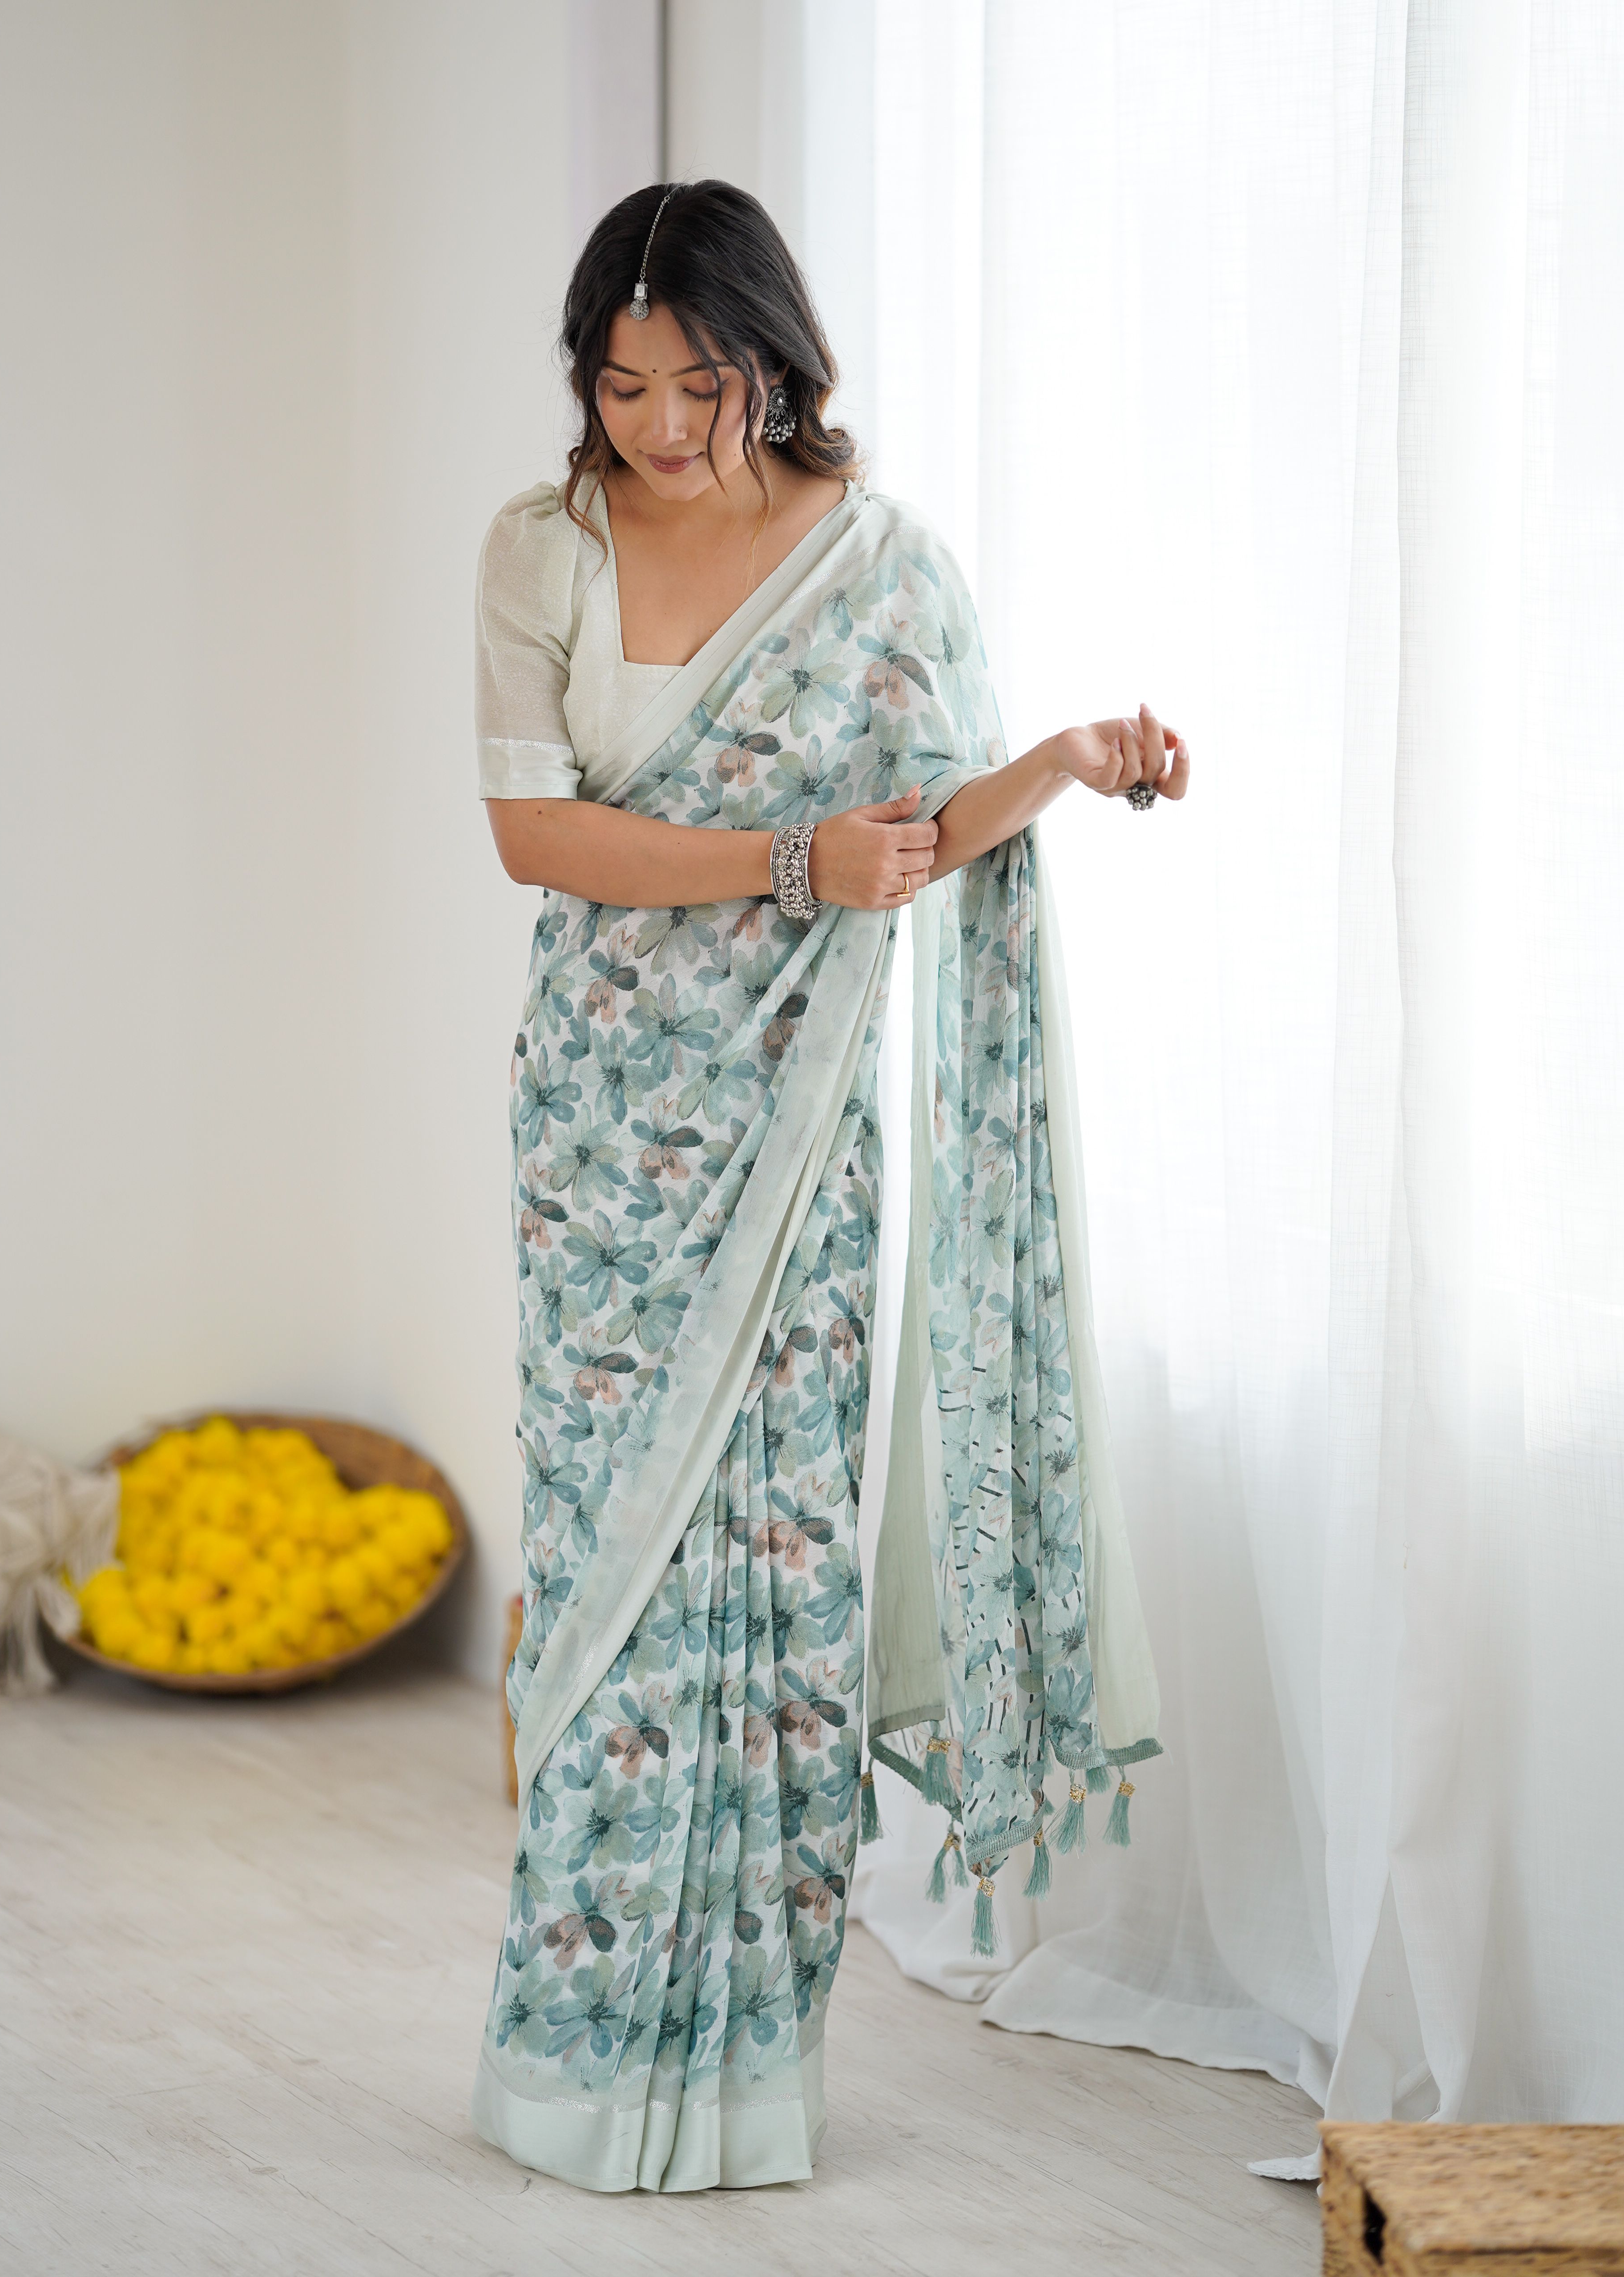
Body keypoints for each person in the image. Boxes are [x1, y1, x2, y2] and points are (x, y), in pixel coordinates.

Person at [470, 180, 1185, 2194]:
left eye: (698, 384)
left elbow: (919, 829)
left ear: (774, 364)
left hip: (797, 1137)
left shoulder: (881, 565)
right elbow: (536, 835)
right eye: (621, 386)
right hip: (603, 1138)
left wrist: (1059, 761)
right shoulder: (539, 550)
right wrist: (791, 860)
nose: (659, 425)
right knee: (607, 1593)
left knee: (776, 1586)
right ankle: (575, 2066)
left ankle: (743, 2083)